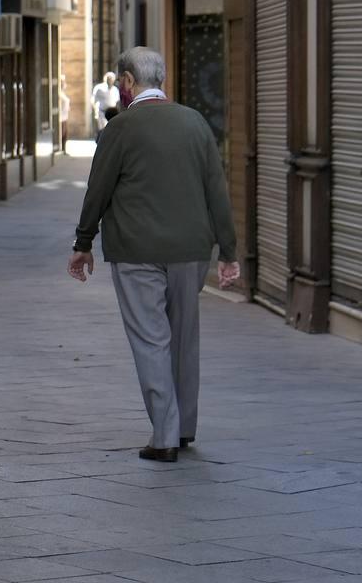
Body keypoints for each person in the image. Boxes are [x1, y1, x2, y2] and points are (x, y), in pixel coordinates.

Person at [66, 47, 240, 463]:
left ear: (126, 82)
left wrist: (83, 243)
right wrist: (228, 251)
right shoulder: (195, 123)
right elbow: (217, 189)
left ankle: (164, 435)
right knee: (184, 337)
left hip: (137, 250)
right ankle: (184, 428)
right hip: (191, 250)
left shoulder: (121, 129)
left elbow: (99, 191)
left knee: (151, 339)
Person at [90, 71, 120, 139]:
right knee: (102, 131)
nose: (110, 81)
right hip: (102, 113)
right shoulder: (99, 88)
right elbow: (93, 100)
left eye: (111, 79)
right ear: (105, 79)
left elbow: (117, 102)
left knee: (111, 131)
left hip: (112, 114)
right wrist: (96, 111)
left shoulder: (115, 90)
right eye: (108, 79)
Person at [58, 75, 71, 152]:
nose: (64, 83)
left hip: (65, 115)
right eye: (62, 82)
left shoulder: (62, 92)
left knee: (65, 133)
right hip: (60, 116)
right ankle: (61, 148)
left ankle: (63, 148)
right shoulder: (58, 92)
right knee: (62, 133)